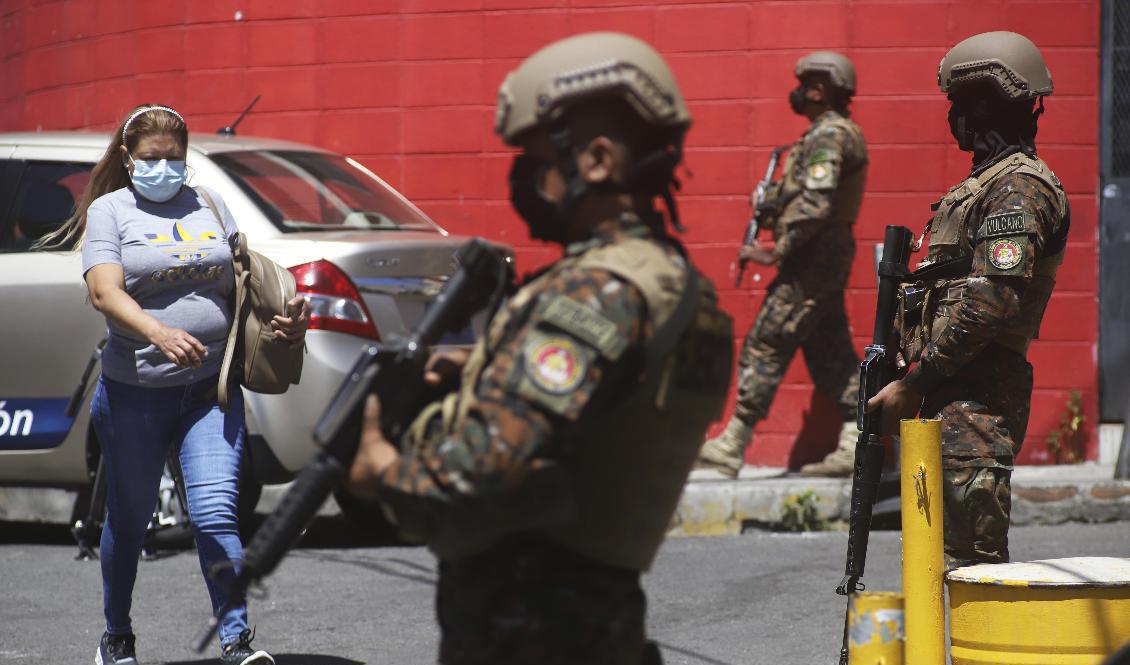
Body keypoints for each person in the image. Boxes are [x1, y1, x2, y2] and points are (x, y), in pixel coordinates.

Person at [347, 32, 733, 665]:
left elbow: (480, 470)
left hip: (533, 626)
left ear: (599, 160)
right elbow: (613, 406)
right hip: (597, 619)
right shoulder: (674, 282)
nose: (523, 177)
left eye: (534, 157)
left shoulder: (596, 288)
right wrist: (489, 369)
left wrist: (381, 470)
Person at [40, 104, 308, 665]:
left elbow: (242, 280)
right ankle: (116, 635)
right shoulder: (111, 211)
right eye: (151, 159)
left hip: (208, 392)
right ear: (127, 157)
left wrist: (282, 320)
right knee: (131, 520)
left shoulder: (210, 203)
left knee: (214, 512)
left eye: (174, 159)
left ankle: (236, 641)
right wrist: (158, 332)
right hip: (135, 392)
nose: (164, 169)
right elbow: (104, 293)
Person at [866, 31, 1069, 569]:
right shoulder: (982, 186)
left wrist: (914, 384)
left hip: (975, 403)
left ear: (983, 103)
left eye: (959, 103)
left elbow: (994, 301)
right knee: (931, 567)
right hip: (945, 397)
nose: (954, 117)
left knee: (969, 572)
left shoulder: (1021, 187)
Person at [697, 52, 868, 478]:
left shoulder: (829, 135)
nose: (799, 91)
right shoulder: (825, 134)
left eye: (806, 83)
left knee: (768, 338)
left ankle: (733, 442)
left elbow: (816, 202)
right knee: (829, 350)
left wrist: (777, 251)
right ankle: (860, 440)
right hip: (819, 252)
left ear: (821, 89)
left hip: (814, 254)